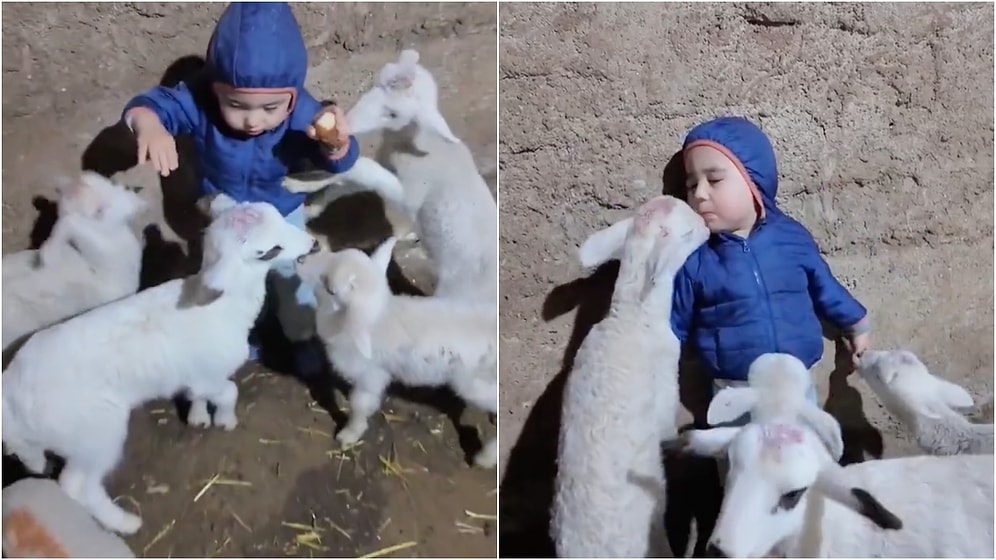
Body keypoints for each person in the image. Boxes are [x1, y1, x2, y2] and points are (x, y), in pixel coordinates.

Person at [121, 2, 359, 378]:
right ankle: (246, 331)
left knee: (292, 276)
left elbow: (341, 162)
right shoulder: (200, 102)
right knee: (232, 279)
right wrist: (148, 123)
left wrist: (336, 144)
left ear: (292, 96)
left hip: (282, 212)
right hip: (226, 211)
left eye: (270, 108)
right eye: (236, 104)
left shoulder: (302, 114)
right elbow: (153, 104)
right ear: (215, 89)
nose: (252, 120)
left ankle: (301, 335)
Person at [671, 116, 871, 421]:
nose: (699, 194)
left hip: (796, 383)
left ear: (754, 181)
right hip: (733, 393)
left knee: (805, 456)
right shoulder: (695, 258)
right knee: (741, 463)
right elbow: (674, 323)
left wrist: (856, 323)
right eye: (691, 184)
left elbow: (824, 286)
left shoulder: (791, 238)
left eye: (714, 180)